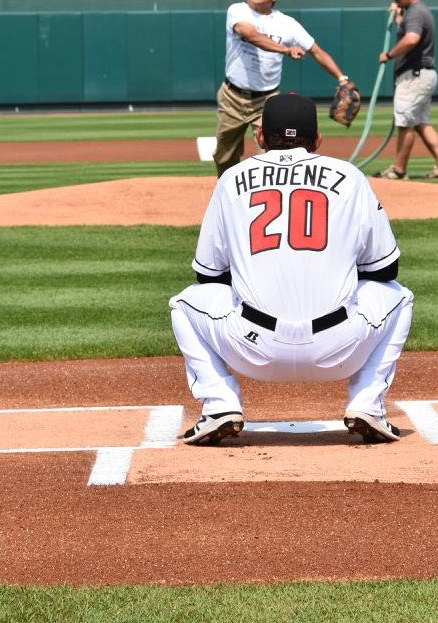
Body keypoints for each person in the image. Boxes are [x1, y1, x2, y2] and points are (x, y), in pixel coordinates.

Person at [170, 93, 414, 446]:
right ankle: (367, 404)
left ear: (259, 138)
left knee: (185, 302)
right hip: (340, 348)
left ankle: (220, 404)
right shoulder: (349, 176)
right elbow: (386, 266)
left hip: (253, 349)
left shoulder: (231, 180)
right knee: (399, 296)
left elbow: (207, 275)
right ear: (317, 140)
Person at [213, 0, 350, 177]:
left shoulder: (287, 25)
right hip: (232, 96)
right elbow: (250, 34)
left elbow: (316, 51)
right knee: (224, 155)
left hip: (266, 101)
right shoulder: (238, 10)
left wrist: (342, 78)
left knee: (270, 154)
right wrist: (285, 50)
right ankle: (227, 192)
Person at [374, 0, 438, 182]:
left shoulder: (416, 13)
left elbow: (411, 38)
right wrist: (399, 14)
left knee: (405, 122)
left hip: (415, 75)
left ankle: (399, 170)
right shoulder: (415, 11)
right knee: (420, 123)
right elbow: (409, 30)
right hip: (424, 73)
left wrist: (389, 54)